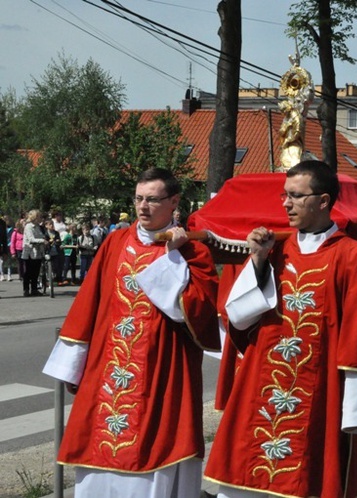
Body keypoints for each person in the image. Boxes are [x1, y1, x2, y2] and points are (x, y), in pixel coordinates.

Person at [204, 161, 357, 498]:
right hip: (264, 384)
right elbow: (239, 318)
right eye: (285, 196)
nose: (285, 204)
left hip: (321, 390)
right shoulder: (276, 250)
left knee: (312, 480)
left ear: (324, 201)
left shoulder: (352, 255)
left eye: (296, 196)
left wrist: (355, 410)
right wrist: (257, 261)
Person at [42, 167, 220, 497]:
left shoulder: (193, 251)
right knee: (98, 448)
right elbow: (88, 303)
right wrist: (74, 365)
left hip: (161, 372)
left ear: (174, 202)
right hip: (108, 370)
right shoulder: (115, 242)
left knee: (156, 449)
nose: (143, 207)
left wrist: (173, 257)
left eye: (153, 200)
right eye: (139, 198)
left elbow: (194, 313)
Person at [22, 210, 46, 297]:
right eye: (39, 216)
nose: (40, 218)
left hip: (38, 252)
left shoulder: (38, 227)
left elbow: (41, 236)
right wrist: (42, 241)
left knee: (36, 272)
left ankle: (34, 289)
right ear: (35, 217)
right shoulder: (29, 227)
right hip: (29, 252)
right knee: (28, 272)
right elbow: (31, 239)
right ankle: (26, 289)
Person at [10, 219, 25, 284]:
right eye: (22, 222)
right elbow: (12, 243)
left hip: (26, 249)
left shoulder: (26, 231)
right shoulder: (15, 232)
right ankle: (21, 275)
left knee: (26, 263)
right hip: (18, 249)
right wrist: (13, 252)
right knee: (20, 263)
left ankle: (26, 275)